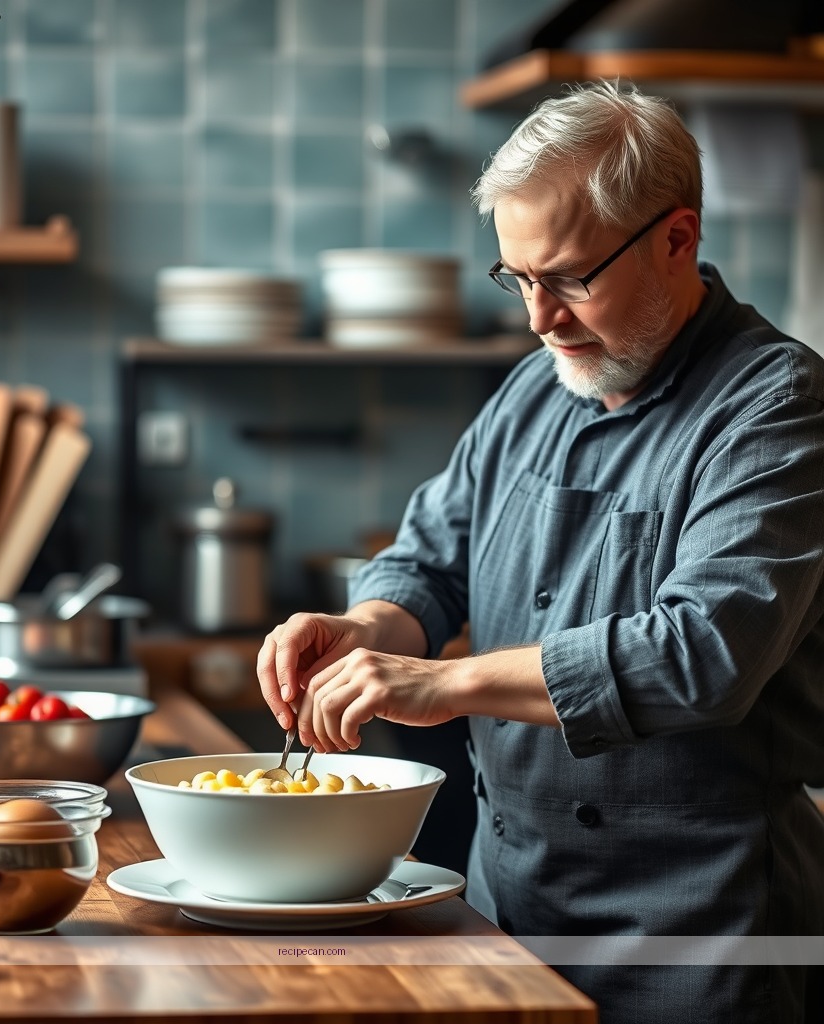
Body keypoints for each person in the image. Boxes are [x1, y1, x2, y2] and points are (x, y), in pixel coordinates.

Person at [257, 80, 824, 1024]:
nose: (538, 317)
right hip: (506, 909)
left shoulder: (778, 405)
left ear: (677, 238)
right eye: (517, 278)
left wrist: (441, 683)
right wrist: (362, 628)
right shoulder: (532, 389)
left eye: (568, 278)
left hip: (706, 937)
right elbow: (428, 558)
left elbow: (702, 656)